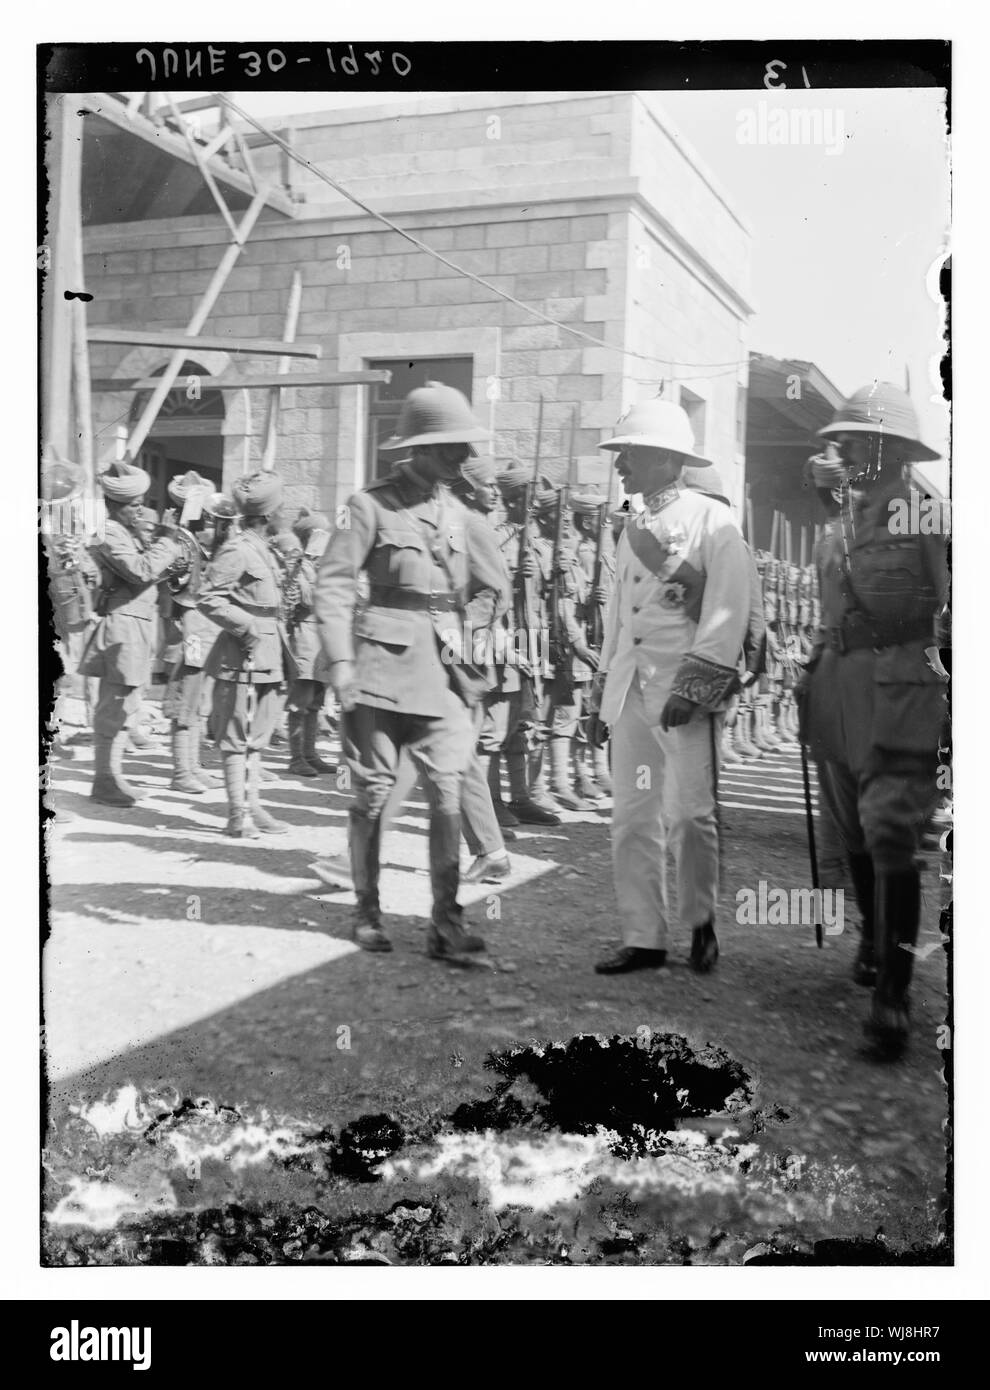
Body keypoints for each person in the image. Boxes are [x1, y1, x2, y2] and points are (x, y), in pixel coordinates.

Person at [315, 382, 510, 960]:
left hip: (445, 675)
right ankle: (366, 912)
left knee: (449, 792)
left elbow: (485, 588)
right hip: (378, 671)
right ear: (420, 448)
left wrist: (466, 624)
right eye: (450, 446)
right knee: (371, 797)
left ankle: (445, 924)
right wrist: (342, 662)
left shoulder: (457, 513)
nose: (461, 457)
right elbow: (333, 583)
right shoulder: (369, 505)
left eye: (463, 447)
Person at [799, 383, 948, 1057]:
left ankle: (893, 996)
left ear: (888, 447)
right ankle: (868, 935)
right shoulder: (838, 524)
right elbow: (832, 610)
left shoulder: (926, 515)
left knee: (891, 835)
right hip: (840, 684)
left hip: (903, 685)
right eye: (843, 440)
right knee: (853, 827)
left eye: (856, 440)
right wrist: (813, 664)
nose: (843, 450)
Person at [587, 399, 753, 974]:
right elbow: (619, 618)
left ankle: (701, 922)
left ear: (663, 458)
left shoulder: (714, 522)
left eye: (628, 455)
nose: (620, 468)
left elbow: (728, 608)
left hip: (682, 698)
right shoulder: (633, 527)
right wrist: (602, 688)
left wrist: (696, 685)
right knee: (633, 816)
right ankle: (645, 937)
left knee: (689, 815)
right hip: (633, 695)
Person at [77, 462, 183, 805]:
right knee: (115, 705)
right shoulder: (109, 532)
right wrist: (166, 540)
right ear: (115, 505)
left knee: (129, 705)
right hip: (122, 624)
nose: (141, 510)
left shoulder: (128, 531)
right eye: (134, 505)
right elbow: (141, 571)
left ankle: (114, 777)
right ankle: (104, 780)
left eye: (141, 503)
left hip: (137, 623)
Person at [198, 471, 295, 839]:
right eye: (281, 509)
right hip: (244, 654)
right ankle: (237, 814)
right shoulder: (238, 550)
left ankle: (252, 805)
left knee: (258, 736)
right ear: (269, 515)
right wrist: (246, 627)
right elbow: (208, 597)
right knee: (238, 735)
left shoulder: (263, 549)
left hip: (269, 652)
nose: (285, 514)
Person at [160, 472, 230, 794]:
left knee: (198, 696)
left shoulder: (195, 541)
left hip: (201, 626)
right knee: (185, 696)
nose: (208, 517)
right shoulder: (180, 540)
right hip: (188, 626)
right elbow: (179, 587)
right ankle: (180, 771)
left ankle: (192, 766)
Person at [285, 511, 335, 777]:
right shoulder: (298, 565)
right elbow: (306, 598)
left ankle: (310, 754)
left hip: (322, 638)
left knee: (316, 701)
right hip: (305, 635)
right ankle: (295, 758)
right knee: (300, 700)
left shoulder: (322, 565)